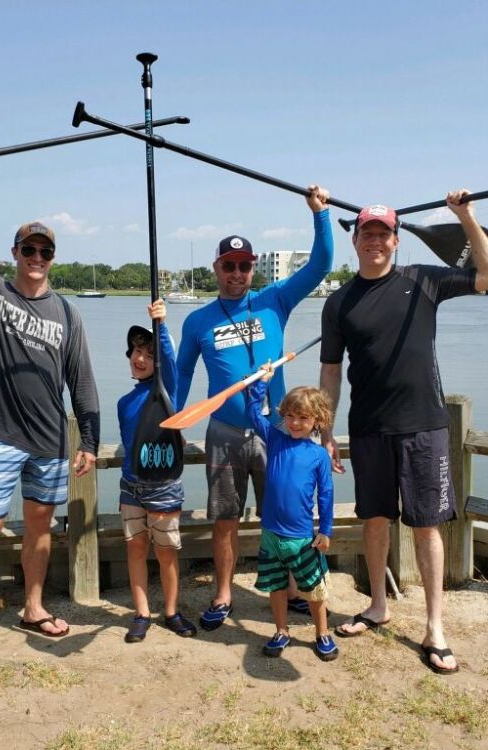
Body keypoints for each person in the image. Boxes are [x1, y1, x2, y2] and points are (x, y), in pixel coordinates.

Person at [318, 196, 488, 674]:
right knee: (375, 520)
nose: (375, 241)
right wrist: (326, 428)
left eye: (383, 234)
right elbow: (331, 373)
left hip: (424, 427)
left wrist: (466, 217)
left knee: (426, 525)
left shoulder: (424, 279)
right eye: (367, 233)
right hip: (368, 428)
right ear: (355, 242)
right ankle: (378, 605)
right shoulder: (339, 303)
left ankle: (434, 627)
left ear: (396, 241)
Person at [0, 146, 99, 662]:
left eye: (44, 252)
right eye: (28, 250)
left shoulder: (68, 314)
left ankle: (33, 606)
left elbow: (83, 381)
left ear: (53, 258)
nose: (36, 259)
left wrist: (90, 439)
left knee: (40, 528)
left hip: (50, 442)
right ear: (15, 253)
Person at [176, 185, 333, 631]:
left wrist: (319, 214)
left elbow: (321, 264)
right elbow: (182, 375)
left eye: (245, 266)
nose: (238, 273)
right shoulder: (197, 320)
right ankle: (224, 593)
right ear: (216, 268)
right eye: (230, 266)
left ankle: (294, 588)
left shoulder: (274, 300)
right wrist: (168, 416)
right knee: (224, 519)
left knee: (286, 517)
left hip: (278, 433)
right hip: (224, 432)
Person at [118, 299, 197, 643]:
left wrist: (161, 325)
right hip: (131, 487)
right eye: (136, 351)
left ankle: (171, 611)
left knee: (166, 552)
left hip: (164, 486)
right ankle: (141, 613)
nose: (140, 358)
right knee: (135, 549)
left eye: (149, 355)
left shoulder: (168, 391)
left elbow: (171, 358)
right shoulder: (123, 402)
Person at [245, 371, 337, 661]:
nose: (296, 423)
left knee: (314, 590)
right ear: (284, 415)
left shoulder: (319, 455)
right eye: (291, 416)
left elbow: (325, 495)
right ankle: (281, 630)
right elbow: (252, 410)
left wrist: (325, 530)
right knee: (275, 586)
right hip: (271, 533)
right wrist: (263, 381)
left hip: (302, 537)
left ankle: (322, 632)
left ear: (317, 422)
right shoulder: (274, 438)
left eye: (304, 418)